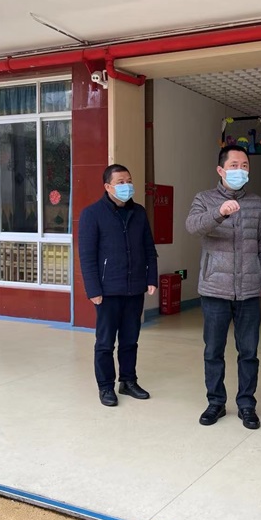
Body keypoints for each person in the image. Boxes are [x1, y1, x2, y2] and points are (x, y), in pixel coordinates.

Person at [186, 145, 261, 429]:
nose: (240, 170)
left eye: (245, 165)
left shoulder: (257, 203)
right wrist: (219, 213)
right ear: (220, 170)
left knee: (248, 352)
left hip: (249, 289)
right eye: (234, 165)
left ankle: (247, 404)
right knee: (213, 350)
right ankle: (216, 402)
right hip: (215, 288)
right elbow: (192, 226)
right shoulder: (204, 199)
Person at [78, 164, 158, 407]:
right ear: (107, 186)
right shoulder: (92, 214)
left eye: (129, 181)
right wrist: (93, 290)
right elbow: (87, 256)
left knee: (130, 340)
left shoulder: (139, 212)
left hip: (134, 288)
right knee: (105, 343)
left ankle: (128, 381)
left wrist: (151, 278)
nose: (126, 186)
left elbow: (149, 247)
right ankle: (105, 387)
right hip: (107, 291)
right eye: (120, 182)